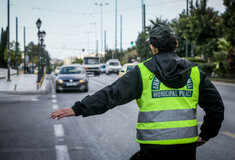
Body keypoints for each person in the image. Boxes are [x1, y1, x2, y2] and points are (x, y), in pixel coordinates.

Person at [50, 23, 224, 160]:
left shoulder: (142, 71)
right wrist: (205, 135)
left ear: (152, 46)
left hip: (153, 148)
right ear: (176, 44)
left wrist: (78, 108)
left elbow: (112, 94)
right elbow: (216, 107)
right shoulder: (195, 73)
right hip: (186, 147)